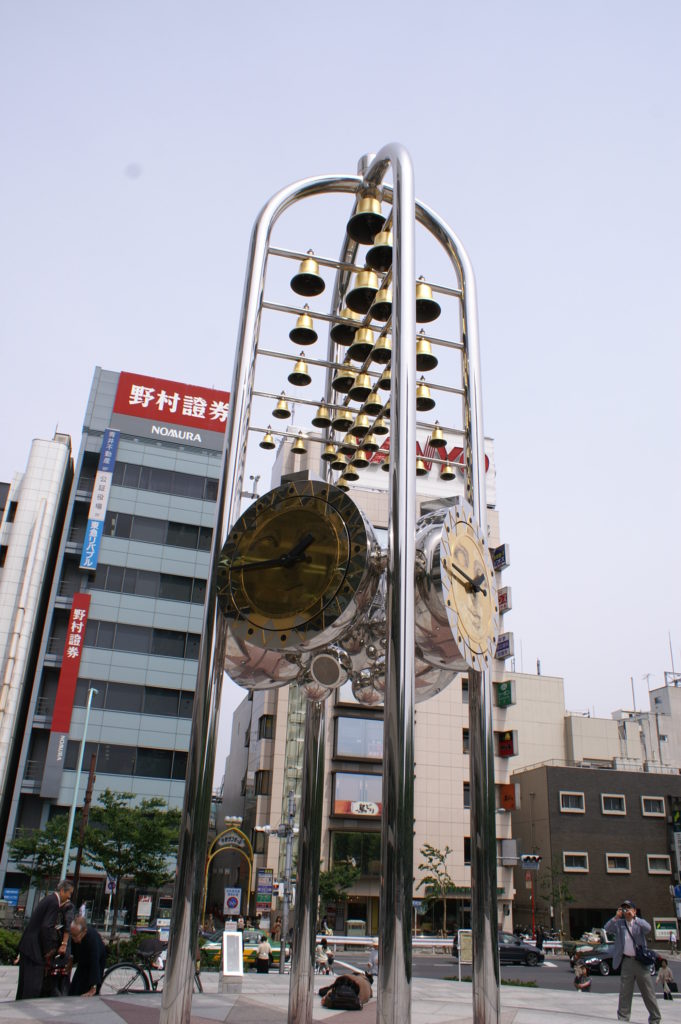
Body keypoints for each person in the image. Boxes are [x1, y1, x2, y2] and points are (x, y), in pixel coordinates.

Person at [16, 879, 74, 1000]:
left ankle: (21, 1005)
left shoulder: (48, 899)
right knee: (33, 985)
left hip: (28, 945)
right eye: (69, 893)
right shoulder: (54, 902)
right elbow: (46, 926)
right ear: (62, 891)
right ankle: (27, 1009)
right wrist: (49, 949)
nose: (69, 897)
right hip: (34, 949)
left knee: (24, 983)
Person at [605, 900, 661, 1023]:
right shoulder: (620, 924)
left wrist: (635, 917)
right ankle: (623, 1018)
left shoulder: (638, 923)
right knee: (625, 992)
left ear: (634, 910)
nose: (626, 911)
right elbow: (607, 928)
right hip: (626, 961)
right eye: (624, 909)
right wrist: (616, 916)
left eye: (629, 908)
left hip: (640, 962)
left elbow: (648, 928)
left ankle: (655, 1018)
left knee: (648, 992)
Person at [68, 916, 107, 996]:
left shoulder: (92, 940)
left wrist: (94, 987)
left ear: (84, 931)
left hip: (98, 959)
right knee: (76, 985)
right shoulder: (75, 934)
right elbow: (73, 953)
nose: (74, 939)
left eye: (76, 936)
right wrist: (70, 963)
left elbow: (95, 963)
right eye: (72, 935)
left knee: (89, 988)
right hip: (83, 960)